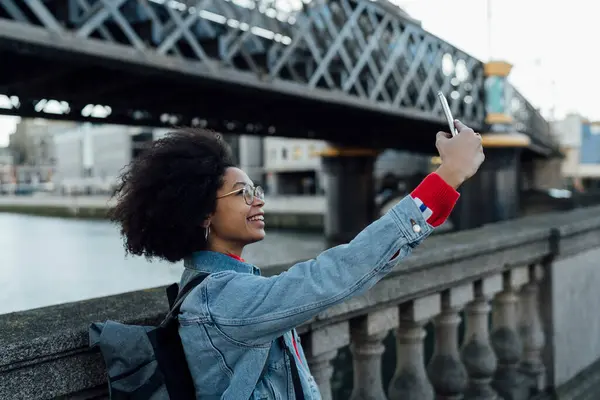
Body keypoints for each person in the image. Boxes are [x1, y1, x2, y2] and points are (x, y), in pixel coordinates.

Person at [109, 120, 484, 399]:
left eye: (255, 190)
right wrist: (447, 177)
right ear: (202, 214)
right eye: (243, 193)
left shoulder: (221, 288)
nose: (258, 200)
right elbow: (336, 273)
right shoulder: (221, 299)